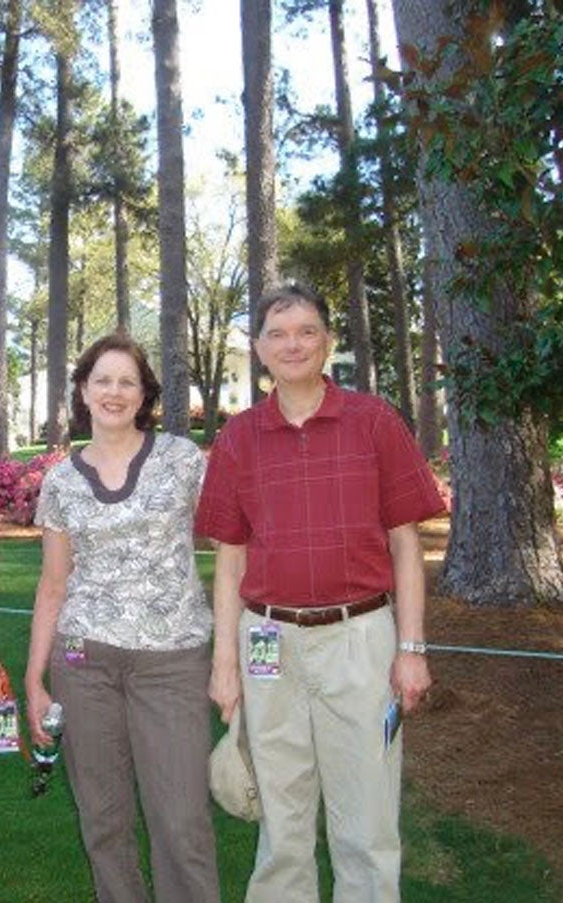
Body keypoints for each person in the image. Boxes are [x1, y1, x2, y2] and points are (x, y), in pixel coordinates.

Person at [196, 283, 447, 903]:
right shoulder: (239, 438)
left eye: (306, 331)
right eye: (278, 334)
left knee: (366, 816)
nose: (293, 344)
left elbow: (405, 543)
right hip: (267, 641)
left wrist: (411, 646)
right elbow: (229, 560)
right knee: (281, 819)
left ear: (328, 342)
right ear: (257, 348)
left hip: (360, 637)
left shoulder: (373, 421)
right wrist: (225, 662)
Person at [24, 333, 221, 903]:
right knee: (104, 822)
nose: (113, 392)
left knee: (181, 821)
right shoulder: (61, 479)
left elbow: (231, 543)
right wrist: (36, 679)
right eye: (101, 380)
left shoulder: (182, 460)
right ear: (83, 391)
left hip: (172, 663)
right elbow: (53, 583)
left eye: (126, 381)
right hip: (84, 663)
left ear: (144, 393)